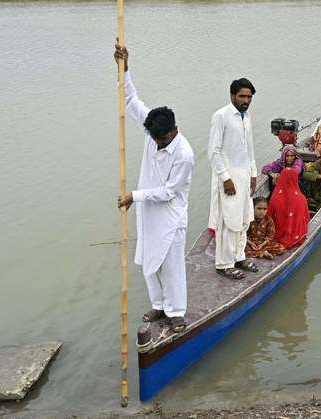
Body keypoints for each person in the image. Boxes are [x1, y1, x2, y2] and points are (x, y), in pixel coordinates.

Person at [114, 43, 194, 333]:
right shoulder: (153, 130)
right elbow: (131, 99)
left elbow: (169, 192)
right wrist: (125, 67)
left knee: (171, 265)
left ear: (173, 131)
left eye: (161, 139)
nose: (157, 143)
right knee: (150, 261)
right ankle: (159, 305)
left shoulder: (184, 153)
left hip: (170, 216)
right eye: (154, 138)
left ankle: (176, 312)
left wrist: (134, 196)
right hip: (148, 213)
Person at [207, 77, 260, 280]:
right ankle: (224, 264)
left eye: (249, 96)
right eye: (242, 96)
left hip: (245, 174)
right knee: (228, 221)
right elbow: (214, 151)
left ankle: (239, 257)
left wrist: (254, 174)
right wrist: (225, 178)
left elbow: (250, 149)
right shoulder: (221, 116)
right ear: (232, 96)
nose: (246, 100)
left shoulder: (246, 117)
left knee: (244, 219)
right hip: (229, 177)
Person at [268, 168, 310, 248]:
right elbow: (307, 218)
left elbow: (269, 217)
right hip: (299, 234)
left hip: (278, 235)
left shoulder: (275, 197)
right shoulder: (302, 198)